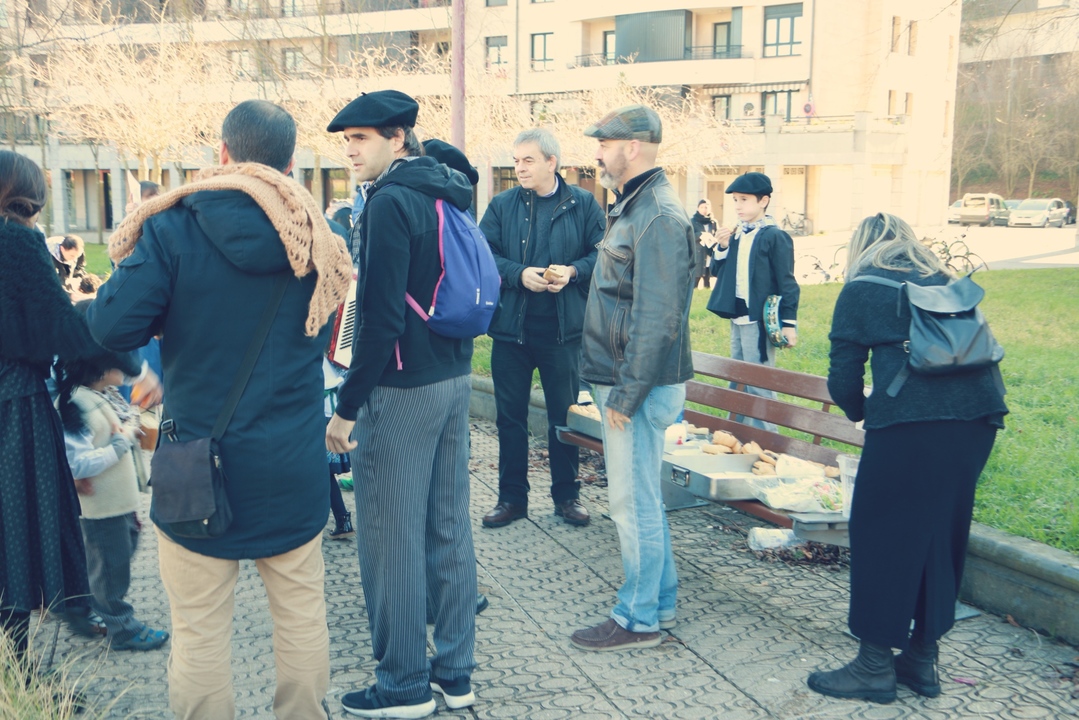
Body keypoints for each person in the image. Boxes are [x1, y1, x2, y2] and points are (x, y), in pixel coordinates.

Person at [87, 99, 352, 720]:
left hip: (195, 461)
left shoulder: (171, 227)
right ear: (290, 163)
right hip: (292, 456)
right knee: (302, 616)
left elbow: (108, 325)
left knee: (199, 629)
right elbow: (332, 333)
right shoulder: (320, 238)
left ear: (223, 153)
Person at [807, 213, 1008, 703]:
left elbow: (843, 379)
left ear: (861, 247)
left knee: (880, 534)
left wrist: (862, 414)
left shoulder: (861, 288)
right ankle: (921, 660)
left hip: (911, 422)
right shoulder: (944, 281)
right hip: (980, 417)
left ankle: (874, 666)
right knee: (940, 534)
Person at [324, 90, 477, 719]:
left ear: (397, 138)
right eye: (346, 141)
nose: (351, 151)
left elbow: (379, 319)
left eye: (362, 138)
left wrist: (346, 407)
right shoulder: (447, 187)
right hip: (454, 376)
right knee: (448, 526)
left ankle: (403, 686)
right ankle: (456, 674)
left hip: (401, 388)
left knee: (390, 537)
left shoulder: (389, 201)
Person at [0, 150, 154, 672]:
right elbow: (64, 329)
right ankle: (19, 671)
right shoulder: (17, 241)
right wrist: (134, 367)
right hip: (14, 409)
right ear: (29, 194)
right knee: (19, 538)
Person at [570, 105, 695, 652]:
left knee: (632, 503)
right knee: (642, 498)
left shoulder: (658, 214)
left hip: (636, 386)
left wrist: (626, 393)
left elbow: (659, 317)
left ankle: (638, 619)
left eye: (605, 143)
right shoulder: (637, 205)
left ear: (634, 147)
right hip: (630, 382)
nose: (597, 153)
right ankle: (658, 604)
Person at [478, 128, 603, 530]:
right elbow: (483, 255)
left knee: (563, 418)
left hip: (563, 333)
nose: (519, 168)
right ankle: (511, 499)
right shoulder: (502, 205)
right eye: (516, 161)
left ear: (552, 162)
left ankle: (567, 497)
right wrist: (519, 274)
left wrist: (573, 271)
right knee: (509, 419)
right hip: (511, 331)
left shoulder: (583, 204)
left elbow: (603, 255)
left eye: (528, 160)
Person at [55, 318, 170, 652]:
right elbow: (77, 463)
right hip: (101, 508)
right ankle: (121, 627)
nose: (129, 368)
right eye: (122, 362)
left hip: (118, 503)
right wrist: (121, 443)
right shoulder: (77, 405)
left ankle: (96, 600)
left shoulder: (99, 394)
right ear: (100, 368)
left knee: (118, 554)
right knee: (110, 568)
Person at [704, 172, 799, 432]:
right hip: (737, 316)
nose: (738, 206)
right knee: (737, 376)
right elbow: (718, 272)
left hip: (759, 320)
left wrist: (789, 324)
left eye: (744, 200)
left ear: (763, 201)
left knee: (759, 380)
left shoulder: (774, 236)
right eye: (735, 200)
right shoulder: (737, 235)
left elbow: (787, 282)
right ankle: (734, 432)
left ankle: (767, 438)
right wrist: (723, 246)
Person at [691, 199, 718, 289]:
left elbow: (717, 235)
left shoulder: (713, 222)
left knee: (708, 280)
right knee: (695, 282)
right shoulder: (693, 221)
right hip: (698, 255)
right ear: (698, 208)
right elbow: (689, 236)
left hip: (709, 253)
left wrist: (714, 240)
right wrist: (700, 235)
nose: (704, 209)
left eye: (706, 207)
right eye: (701, 207)